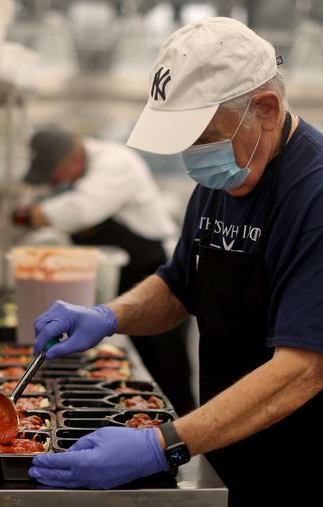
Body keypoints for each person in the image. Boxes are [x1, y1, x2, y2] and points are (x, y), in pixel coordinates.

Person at [26, 18, 323, 507]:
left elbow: (300, 372)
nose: (195, 156)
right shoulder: (227, 177)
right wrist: (109, 316)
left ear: (265, 109)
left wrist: (163, 443)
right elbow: (180, 285)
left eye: (204, 137)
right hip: (241, 449)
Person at [15, 126, 196, 415]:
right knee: (134, 369)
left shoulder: (116, 163)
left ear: (73, 158)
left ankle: (182, 430)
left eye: (56, 174)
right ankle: (142, 418)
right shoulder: (74, 174)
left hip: (155, 274)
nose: (54, 182)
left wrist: (28, 215)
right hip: (123, 280)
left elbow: (81, 210)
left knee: (165, 363)